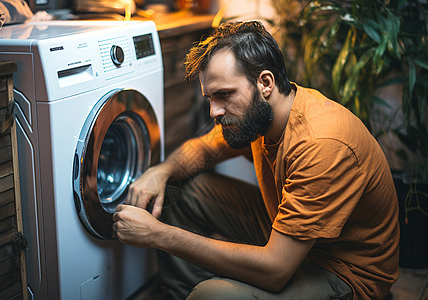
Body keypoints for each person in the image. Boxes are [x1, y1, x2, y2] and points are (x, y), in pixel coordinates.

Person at [112, 21, 399, 300]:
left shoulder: (321, 143)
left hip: (344, 271)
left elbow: (275, 271)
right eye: (210, 98)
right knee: (179, 188)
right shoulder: (259, 115)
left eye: (224, 95)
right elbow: (202, 150)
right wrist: (160, 172)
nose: (214, 111)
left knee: (212, 296)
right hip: (291, 234)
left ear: (265, 83)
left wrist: (159, 235)